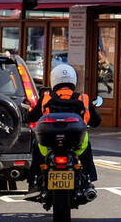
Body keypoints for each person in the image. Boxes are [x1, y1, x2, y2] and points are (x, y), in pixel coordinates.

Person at [27, 63, 100, 199]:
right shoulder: (83, 98)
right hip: (77, 145)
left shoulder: (46, 98)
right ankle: (90, 179)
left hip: (48, 146)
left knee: (37, 148)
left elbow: (31, 117)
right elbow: (96, 122)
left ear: (53, 79)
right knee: (87, 146)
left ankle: (33, 182)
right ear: (73, 79)